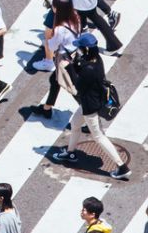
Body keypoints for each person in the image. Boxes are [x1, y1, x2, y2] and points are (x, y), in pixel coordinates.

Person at [55, 37, 130, 179]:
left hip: (90, 106)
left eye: (80, 48)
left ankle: (122, 167)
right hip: (89, 102)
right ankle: (71, 152)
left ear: (86, 49)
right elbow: (82, 69)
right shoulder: (96, 60)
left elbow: (78, 85)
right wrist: (75, 62)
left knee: (99, 136)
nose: (78, 50)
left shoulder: (89, 68)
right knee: (75, 124)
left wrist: (69, 67)